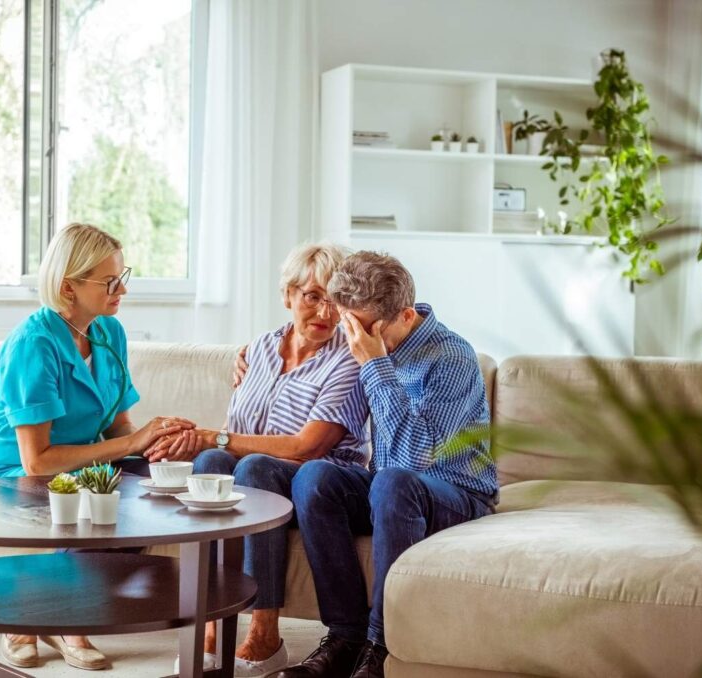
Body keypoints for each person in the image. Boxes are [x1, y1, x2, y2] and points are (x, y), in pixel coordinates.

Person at [0, 222, 193, 671]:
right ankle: (60, 618)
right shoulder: (33, 344)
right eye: (110, 282)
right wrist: (131, 442)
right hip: (16, 475)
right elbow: (37, 460)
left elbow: (117, 425)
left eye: (123, 276)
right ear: (68, 287)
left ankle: (38, 614)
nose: (123, 290)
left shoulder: (109, 333)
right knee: (107, 500)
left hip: (80, 471)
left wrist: (158, 447)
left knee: (158, 491)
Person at [147, 243, 370, 677]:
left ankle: (266, 632)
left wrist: (217, 436)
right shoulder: (261, 349)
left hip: (316, 484)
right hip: (259, 476)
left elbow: (308, 447)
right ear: (288, 295)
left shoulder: (348, 358)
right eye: (312, 296)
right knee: (211, 462)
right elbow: (232, 439)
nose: (324, 311)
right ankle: (211, 624)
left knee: (251, 466)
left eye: (335, 300)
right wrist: (207, 442)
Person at [274, 251, 499, 678]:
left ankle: (381, 648)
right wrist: (251, 358)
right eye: (349, 324)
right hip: (390, 489)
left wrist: (376, 365)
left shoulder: (448, 357)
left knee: (394, 482)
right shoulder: (366, 339)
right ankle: (346, 637)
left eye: (364, 328)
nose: (353, 337)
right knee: (315, 477)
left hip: (457, 493)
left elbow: (418, 460)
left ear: (405, 315)